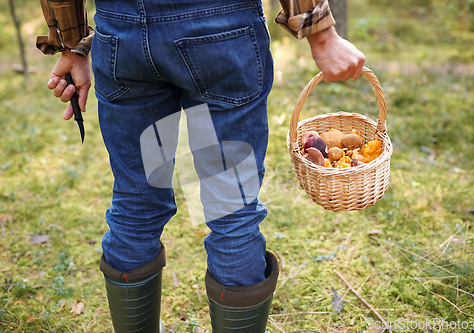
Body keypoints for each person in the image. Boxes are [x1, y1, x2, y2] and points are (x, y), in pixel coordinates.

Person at [37, 0, 365, 332]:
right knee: (231, 211)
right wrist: (321, 35)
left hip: (124, 34)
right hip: (221, 28)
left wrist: (72, 45)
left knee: (136, 202)